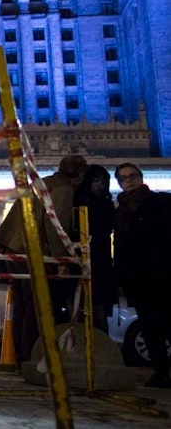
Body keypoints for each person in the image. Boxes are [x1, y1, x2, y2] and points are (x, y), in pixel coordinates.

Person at [0, 154, 87, 366]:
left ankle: (19, 357)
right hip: (34, 252)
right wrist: (61, 260)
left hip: (13, 248)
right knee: (36, 307)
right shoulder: (64, 189)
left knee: (21, 305)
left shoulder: (42, 183)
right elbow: (55, 226)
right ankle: (30, 358)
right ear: (80, 175)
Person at [113, 163, 171, 388]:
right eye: (124, 178)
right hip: (136, 277)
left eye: (132, 176)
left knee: (166, 323)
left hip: (161, 273)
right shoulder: (120, 210)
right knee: (149, 327)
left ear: (140, 177)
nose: (129, 181)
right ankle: (161, 372)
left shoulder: (160, 202)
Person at [73, 164, 115, 335]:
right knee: (78, 311)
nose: (99, 185)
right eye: (95, 180)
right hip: (79, 261)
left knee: (100, 314)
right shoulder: (77, 201)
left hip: (100, 263)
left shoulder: (106, 204)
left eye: (103, 181)